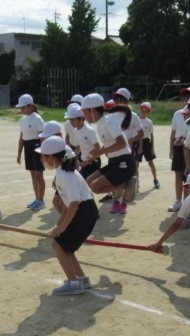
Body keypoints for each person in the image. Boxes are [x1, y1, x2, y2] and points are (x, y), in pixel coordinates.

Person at [37, 136, 99, 295]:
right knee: (66, 246)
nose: (41, 159)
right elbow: (67, 199)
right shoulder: (63, 170)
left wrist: (64, 225)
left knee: (58, 245)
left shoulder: (65, 175)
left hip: (84, 211)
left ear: (51, 157)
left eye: (43, 155)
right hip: (85, 210)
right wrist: (62, 217)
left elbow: (74, 201)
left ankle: (74, 284)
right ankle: (81, 279)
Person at [81, 93, 136, 215]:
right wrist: (94, 155)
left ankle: (128, 184)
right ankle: (126, 185)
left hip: (124, 163)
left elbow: (122, 143)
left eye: (84, 112)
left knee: (95, 187)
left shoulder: (108, 122)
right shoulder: (101, 124)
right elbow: (109, 143)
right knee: (89, 180)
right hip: (114, 162)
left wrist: (99, 152)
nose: (83, 115)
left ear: (92, 110)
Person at [169, 92, 190, 211]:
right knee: (181, 175)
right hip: (183, 149)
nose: (189, 108)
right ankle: (181, 202)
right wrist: (178, 141)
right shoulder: (187, 120)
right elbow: (179, 134)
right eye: (189, 106)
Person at [15, 94, 46, 210]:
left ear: (31, 106)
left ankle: (41, 200)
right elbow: (22, 137)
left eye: (23, 107)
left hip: (37, 146)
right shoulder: (22, 119)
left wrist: (43, 153)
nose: (21, 110)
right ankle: (37, 198)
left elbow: (43, 137)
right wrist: (19, 153)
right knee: (33, 175)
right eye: (21, 107)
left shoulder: (37, 118)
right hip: (28, 147)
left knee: (38, 175)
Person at [66, 103, 100, 179]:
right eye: (70, 120)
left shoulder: (89, 130)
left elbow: (97, 148)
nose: (71, 122)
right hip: (84, 161)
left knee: (87, 185)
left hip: (93, 162)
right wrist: (72, 159)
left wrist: (89, 159)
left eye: (73, 120)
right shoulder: (75, 131)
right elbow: (78, 148)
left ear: (81, 118)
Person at [137, 101, 159, 189]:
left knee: (151, 162)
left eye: (146, 111)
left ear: (148, 112)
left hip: (146, 142)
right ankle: (136, 183)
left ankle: (155, 180)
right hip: (137, 143)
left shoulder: (149, 122)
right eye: (142, 110)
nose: (143, 112)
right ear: (139, 110)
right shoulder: (135, 120)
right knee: (136, 164)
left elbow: (151, 135)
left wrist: (152, 148)